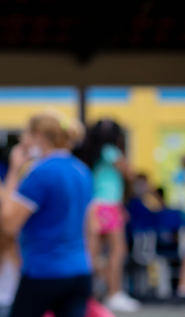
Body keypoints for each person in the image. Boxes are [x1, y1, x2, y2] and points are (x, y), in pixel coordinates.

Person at [0, 113, 93, 317]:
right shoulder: (82, 170)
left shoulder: (41, 172)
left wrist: (15, 169)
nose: (22, 142)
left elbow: (7, 223)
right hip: (80, 270)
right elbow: (90, 226)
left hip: (44, 271)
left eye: (25, 136)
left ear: (38, 135)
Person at [80, 120, 140, 312]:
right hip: (108, 206)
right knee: (117, 251)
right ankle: (114, 293)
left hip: (95, 206)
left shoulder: (94, 153)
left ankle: (88, 292)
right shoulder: (112, 151)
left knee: (93, 253)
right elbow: (129, 174)